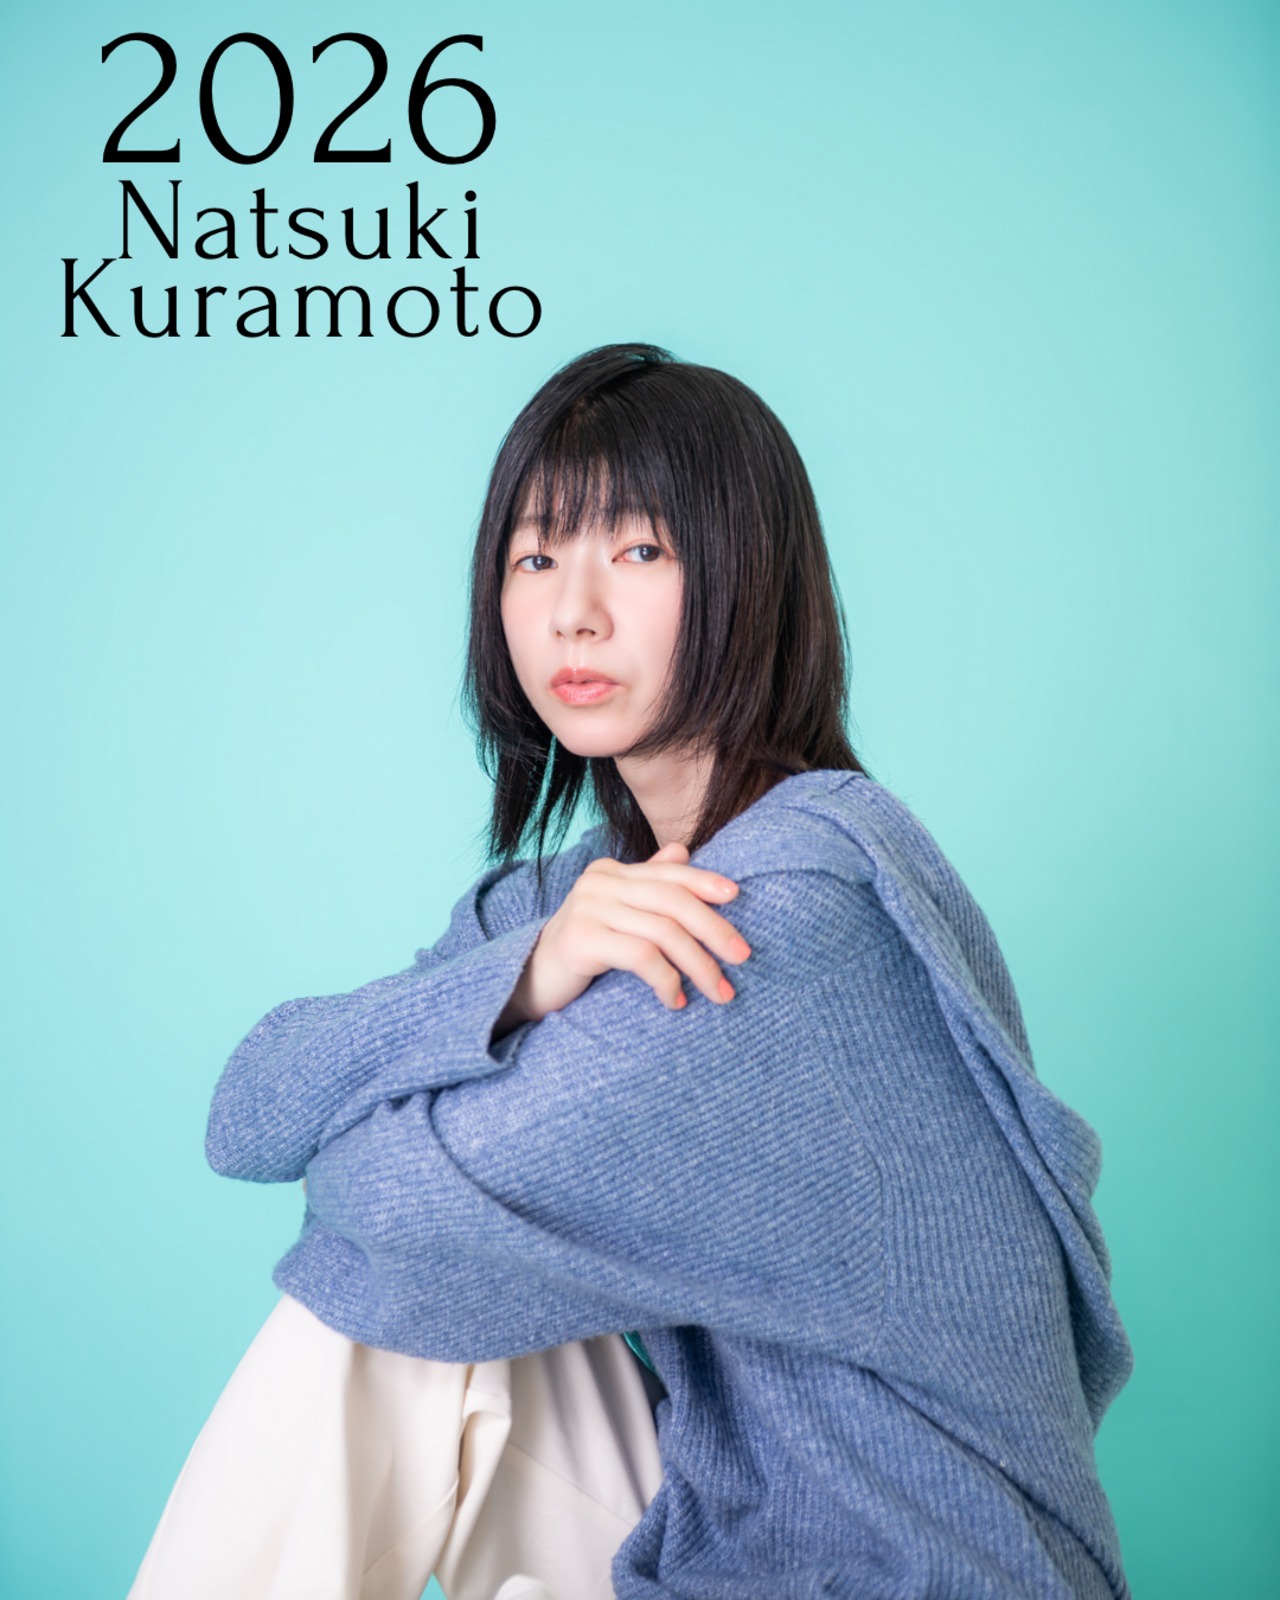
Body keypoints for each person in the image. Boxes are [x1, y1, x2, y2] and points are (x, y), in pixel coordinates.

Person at [128, 343, 1133, 1600]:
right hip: (721, 1551)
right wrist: (525, 973)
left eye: (640, 550)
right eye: (534, 557)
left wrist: (398, 1113)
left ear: (747, 577)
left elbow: (394, 1214)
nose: (574, 612)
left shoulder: (781, 908)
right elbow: (246, 1113)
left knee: (391, 1309)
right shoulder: (586, 898)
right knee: (438, 1315)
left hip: (911, 1579)